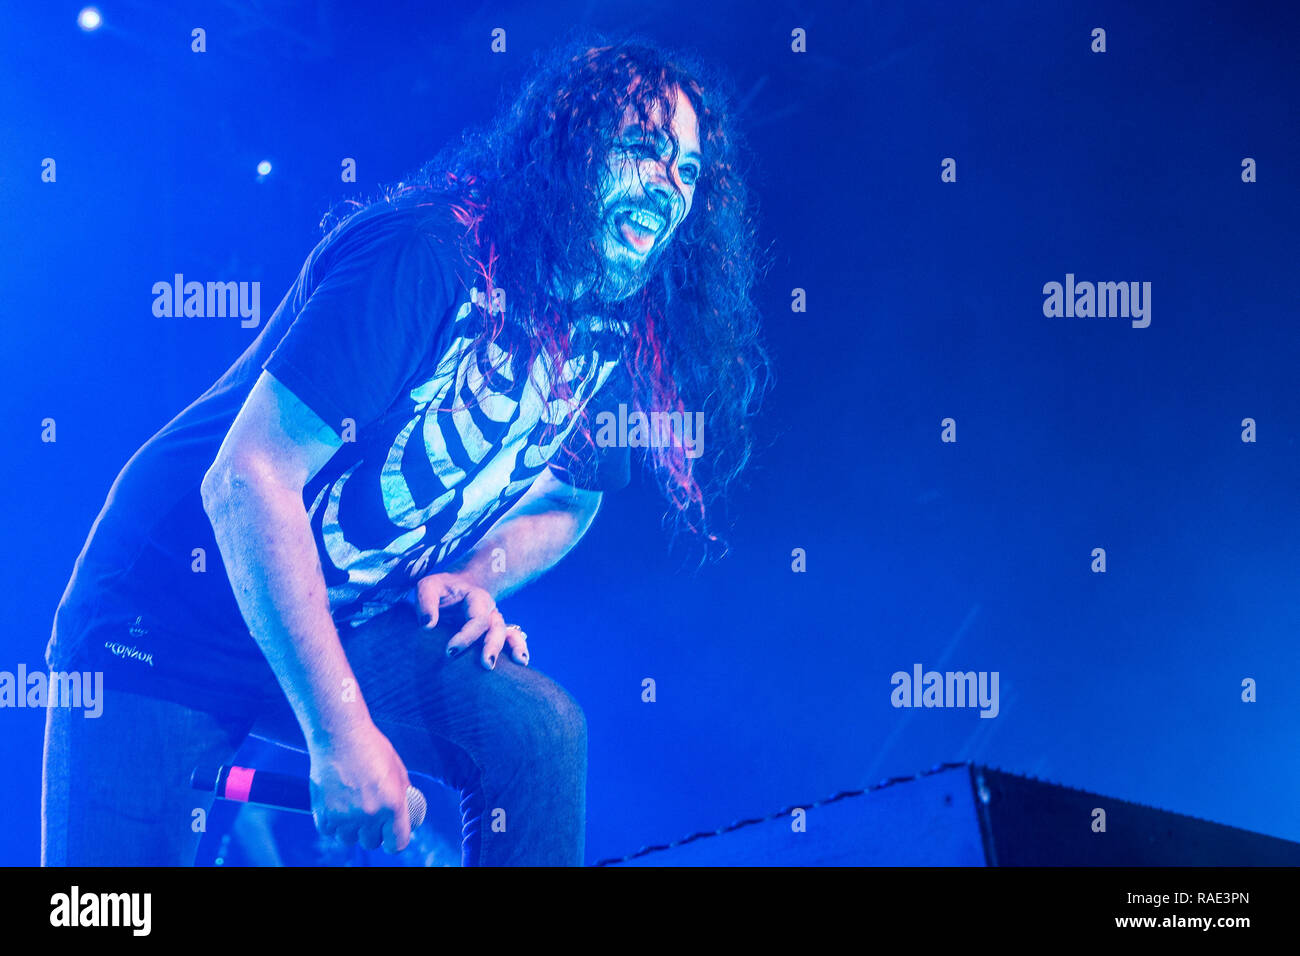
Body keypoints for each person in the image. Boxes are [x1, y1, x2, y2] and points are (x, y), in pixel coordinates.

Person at [42, 35, 769, 866]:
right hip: (169, 617)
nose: (668, 186)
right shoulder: (426, 254)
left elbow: (575, 498)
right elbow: (248, 480)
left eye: (686, 170)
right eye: (642, 148)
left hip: (335, 615)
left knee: (540, 735)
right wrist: (340, 732)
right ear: (571, 150)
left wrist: (475, 575)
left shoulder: (607, 333)